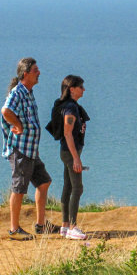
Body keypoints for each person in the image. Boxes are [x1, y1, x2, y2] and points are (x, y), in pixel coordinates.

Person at [0, 57, 52, 240]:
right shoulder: (18, 93)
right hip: (21, 149)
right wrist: (19, 126)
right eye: (36, 70)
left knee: (44, 182)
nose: (39, 73)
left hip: (31, 150)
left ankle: (40, 224)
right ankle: (14, 229)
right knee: (19, 189)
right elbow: (5, 111)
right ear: (26, 73)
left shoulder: (28, 92)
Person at [52, 75, 90, 239]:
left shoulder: (71, 106)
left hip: (68, 152)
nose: (83, 90)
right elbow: (68, 133)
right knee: (77, 188)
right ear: (72, 89)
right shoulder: (70, 108)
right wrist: (76, 158)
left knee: (68, 186)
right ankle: (73, 227)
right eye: (81, 87)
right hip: (70, 152)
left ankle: (65, 226)